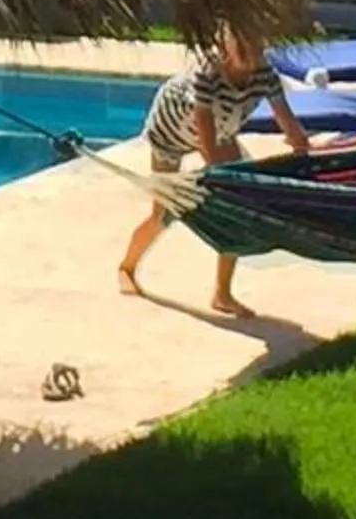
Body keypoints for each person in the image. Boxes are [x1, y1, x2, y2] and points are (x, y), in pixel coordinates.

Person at [118, 21, 312, 317]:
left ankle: (222, 293)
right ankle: (127, 267)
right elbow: (203, 128)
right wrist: (217, 175)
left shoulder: (264, 74)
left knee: (235, 210)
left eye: (258, 48)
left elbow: (286, 120)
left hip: (221, 129)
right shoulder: (207, 74)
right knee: (164, 213)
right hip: (171, 133)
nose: (253, 57)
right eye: (244, 49)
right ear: (225, 49)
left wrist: (304, 155)